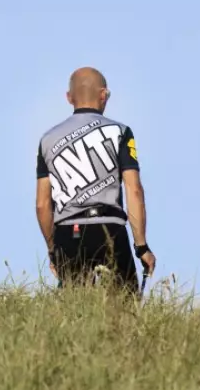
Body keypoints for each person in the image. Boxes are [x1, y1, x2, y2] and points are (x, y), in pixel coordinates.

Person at [35, 67, 156, 295]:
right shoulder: (120, 132)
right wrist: (141, 247)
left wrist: (53, 250)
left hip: (67, 232)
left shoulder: (47, 140)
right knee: (123, 308)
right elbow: (134, 190)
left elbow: (42, 205)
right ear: (103, 95)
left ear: (69, 97)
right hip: (109, 228)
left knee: (74, 309)